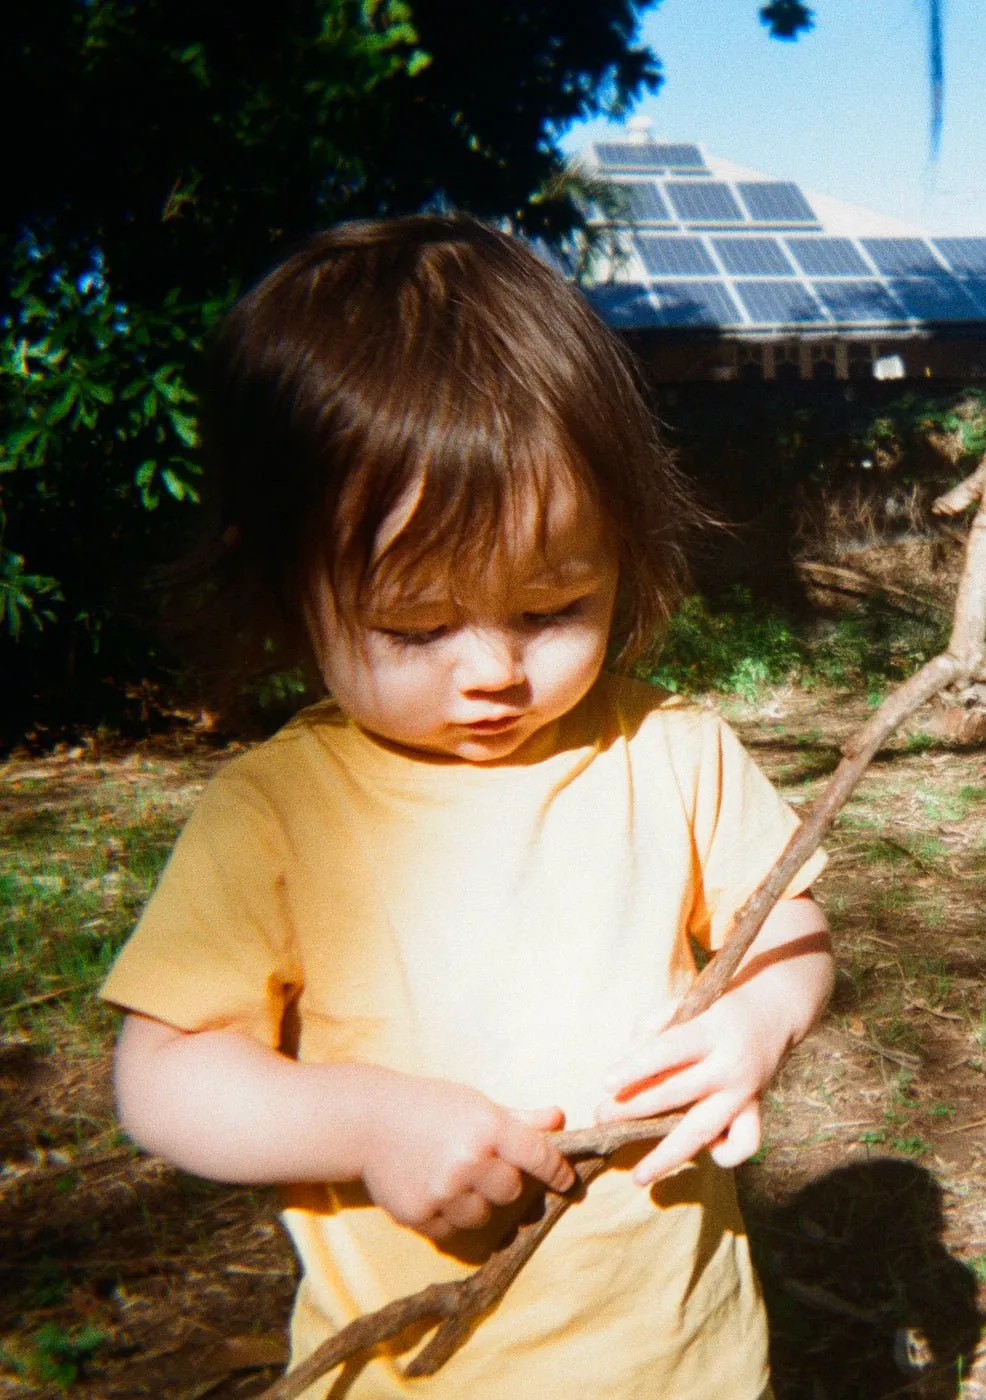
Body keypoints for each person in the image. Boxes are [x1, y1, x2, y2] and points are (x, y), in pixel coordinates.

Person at [103, 215, 833, 1400]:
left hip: (684, 1358)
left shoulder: (671, 749)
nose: (491, 668)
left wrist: (760, 1023)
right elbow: (165, 1073)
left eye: (552, 607)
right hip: (414, 1367)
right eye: (416, 626)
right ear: (289, 587)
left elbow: (790, 932)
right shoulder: (279, 811)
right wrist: (368, 1122)